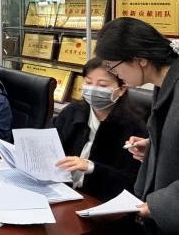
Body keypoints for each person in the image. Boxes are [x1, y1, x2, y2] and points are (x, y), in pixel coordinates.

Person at [95, 17, 179, 235]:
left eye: (113, 67)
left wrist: (160, 205)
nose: (115, 75)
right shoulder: (165, 83)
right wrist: (154, 147)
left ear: (139, 60)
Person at [54, 57, 147, 201]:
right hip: (62, 191)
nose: (92, 90)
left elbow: (133, 183)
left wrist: (92, 167)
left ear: (121, 89)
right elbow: (51, 146)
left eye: (102, 85)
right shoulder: (72, 112)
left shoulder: (134, 127)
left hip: (100, 201)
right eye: (88, 82)